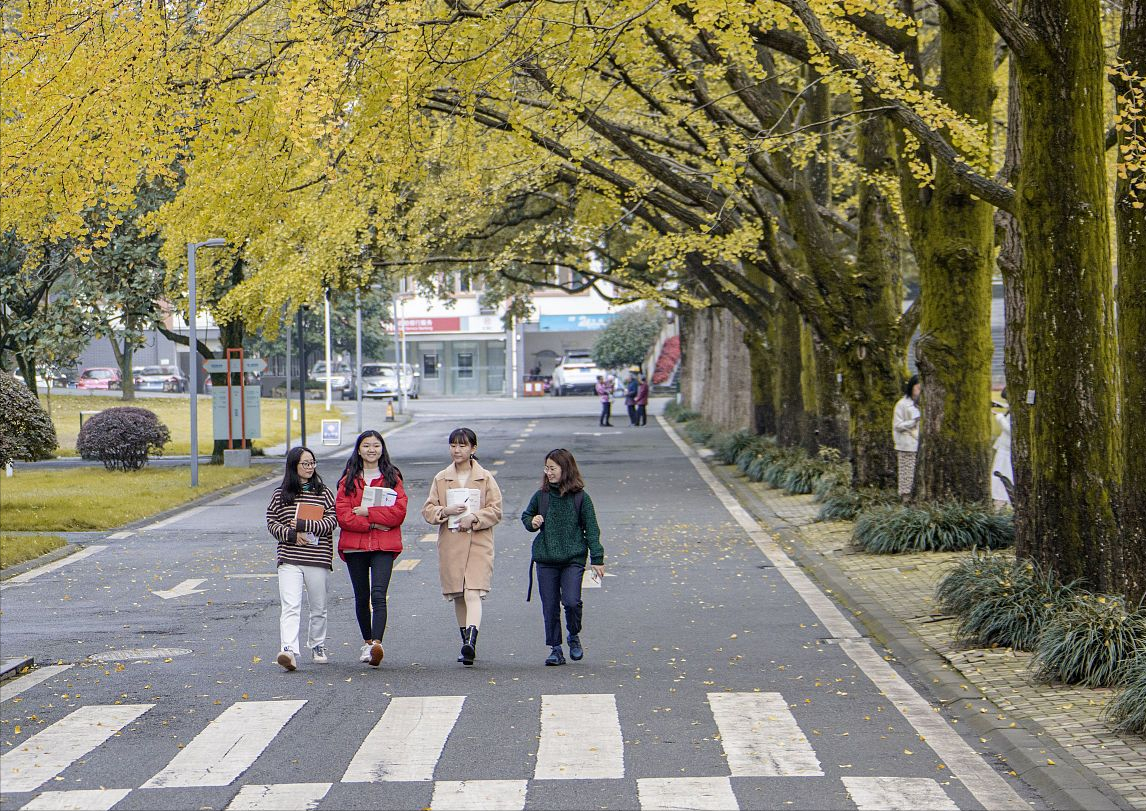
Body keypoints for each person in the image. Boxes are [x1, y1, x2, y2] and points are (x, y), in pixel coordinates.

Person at [421, 428, 504, 666]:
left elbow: (496, 510)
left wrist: (475, 518)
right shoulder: (441, 478)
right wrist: (444, 511)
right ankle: (465, 640)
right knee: (458, 593)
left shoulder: (485, 477)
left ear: (473, 449)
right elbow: (428, 509)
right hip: (452, 541)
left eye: (462, 446)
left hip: (479, 541)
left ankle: (471, 642)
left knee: (473, 590)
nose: (457, 450)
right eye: (453, 445)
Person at [520, 449, 605, 667]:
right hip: (546, 559)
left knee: (571, 601)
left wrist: (597, 558)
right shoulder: (542, 496)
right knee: (550, 606)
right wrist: (533, 522)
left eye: (552, 468)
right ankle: (555, 649)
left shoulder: (581, 498)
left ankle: (573, 634)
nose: (548, 472)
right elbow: (526, 516)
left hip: (572, 559)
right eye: (546, 468)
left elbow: (592, 529)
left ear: (565, 469)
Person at [335, 430, 408, 667]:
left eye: (376, 446)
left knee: (378, 594)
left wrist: (369, 513)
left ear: (382, 449)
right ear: (359, 450)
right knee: (361, 596)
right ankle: (367, 642)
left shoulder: (392, 477)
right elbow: (344, 515)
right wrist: (375, 524)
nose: (371, 450)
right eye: (366, 446)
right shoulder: (348, 479)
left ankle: (377, 644)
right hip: (355, 546)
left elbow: (398, 512)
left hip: (383, 547)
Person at [265, 446, 337, 672]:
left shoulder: (323, 492)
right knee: (290, 605)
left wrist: (306, 526)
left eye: (312, 463)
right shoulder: (281, 494)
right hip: (290, 556)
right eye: (304, 463)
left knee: (318, 606)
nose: (309, 467)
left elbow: (332, 521)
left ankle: (317, 644)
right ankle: (288, 649)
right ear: (293, 466)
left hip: (317, 557)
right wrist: (292, 535)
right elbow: (271, 521)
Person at [893, 374, 922, 500]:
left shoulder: (922, 404)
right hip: (907, 445)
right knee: (907, 474)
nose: (919, 391)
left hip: (919, 444)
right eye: (917, 388)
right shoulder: (902, 404)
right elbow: (897, 425)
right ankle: (906, 498)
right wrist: (913, 422)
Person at [991, 388, 1012, 507]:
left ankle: (1002, 503)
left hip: (1007, 451)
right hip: (1003, 449)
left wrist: (999, 418)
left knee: (1003, 478)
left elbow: (1010, 430)